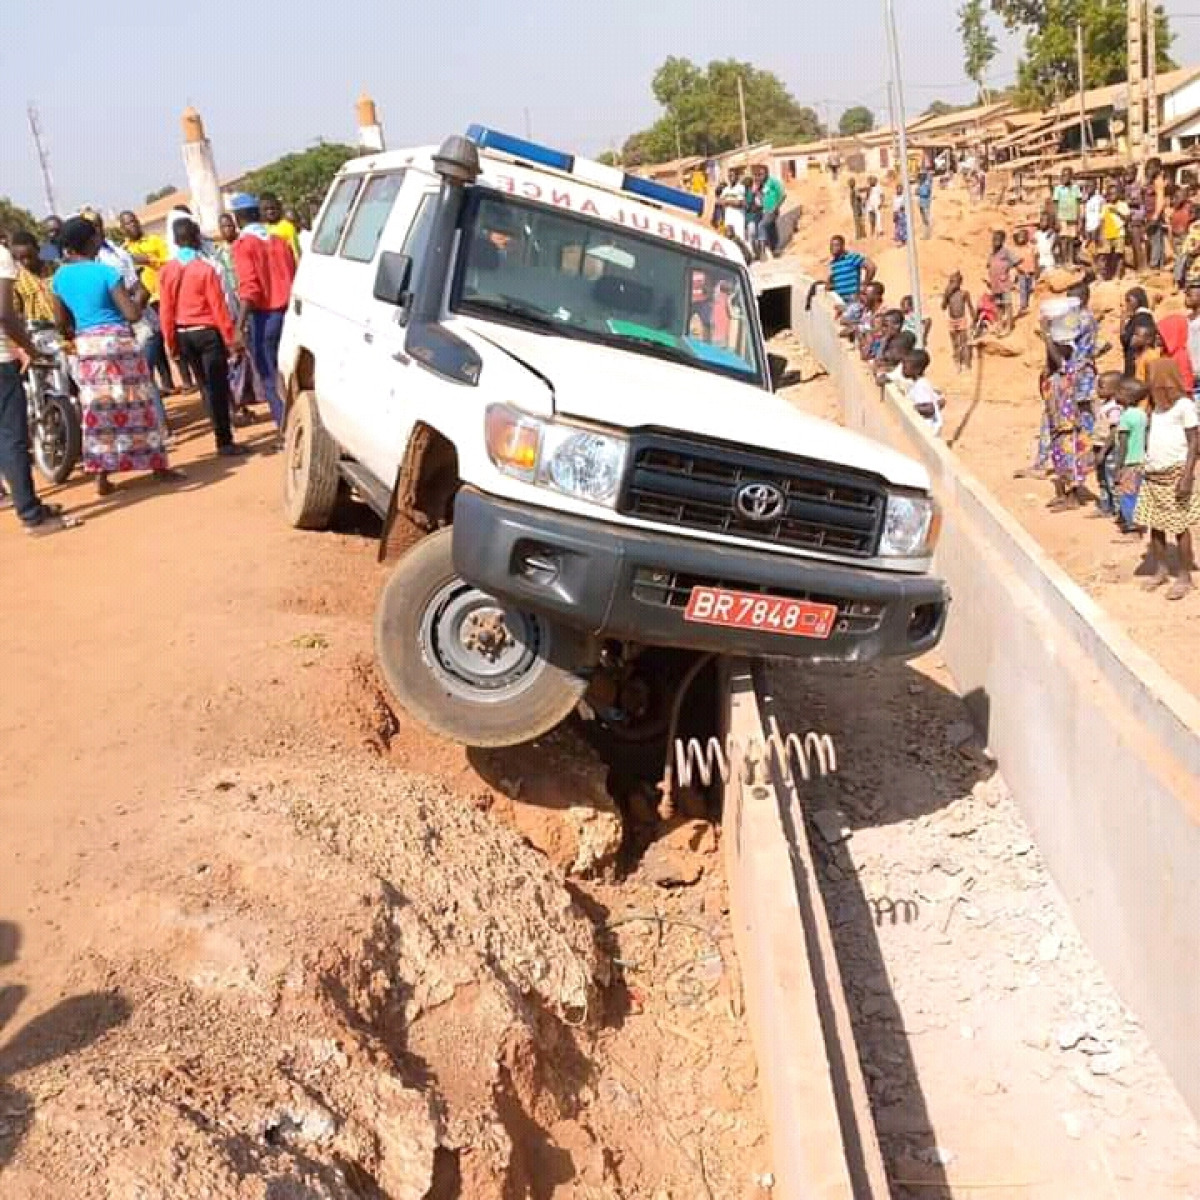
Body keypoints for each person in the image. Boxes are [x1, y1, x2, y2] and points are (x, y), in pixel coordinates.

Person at [50, 217, 179, 497]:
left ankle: (102, 475)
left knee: (99, 410)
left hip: (88, 347)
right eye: (95, 237)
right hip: (119, 343)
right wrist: (141, 296)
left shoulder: (59, 278)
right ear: (89, 241)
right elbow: (132, 314)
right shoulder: (105, 272)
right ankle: (158, 467)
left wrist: (78, 331)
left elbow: (60, 321)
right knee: (138, 404)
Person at [0, 237, 77, 534]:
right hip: (3, 362)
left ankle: (27, 501)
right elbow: (5, 314)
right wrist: (30, 349)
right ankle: (32, 516)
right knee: (13, 437)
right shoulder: (3, 257)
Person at [159, 218, 247, 458]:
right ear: (197, 238)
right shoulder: (205, 269)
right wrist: (231, 339)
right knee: (218, 385)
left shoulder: (167, 271)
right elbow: (219, 308)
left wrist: (171, 343)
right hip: (208, 333)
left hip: (183, 333)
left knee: (204, 386)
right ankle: (224, 440)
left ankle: (218, 429)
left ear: (176, 241)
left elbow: (165, 310)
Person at [229, 193, 296, 431]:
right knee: (292, 375)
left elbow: (250, 288)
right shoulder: (279, 241)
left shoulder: (243, 246)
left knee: (269, 378)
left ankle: (286, 429)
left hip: (264, 317)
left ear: (237, 218)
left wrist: (238, 327)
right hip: (289, 315)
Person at [1135, 357, 1200, 599]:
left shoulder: (1184, 406)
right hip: (1154, 474)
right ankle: (1161, 569)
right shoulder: (1155, 408)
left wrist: (1187, 476)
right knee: (1156, 525)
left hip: (1175, 475)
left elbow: (1194, 441)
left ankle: (1184, 576)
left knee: (1180, 527)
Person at [119, 210, 176, 396]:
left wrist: (149, 260)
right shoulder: (122, 251)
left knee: (171, 336)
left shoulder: (154, 241)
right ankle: (165, 383)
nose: (132, 225)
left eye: (134, 221)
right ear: (122, 228)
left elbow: (169, 261)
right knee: (154, 342)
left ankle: (185, 379)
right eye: (127, 223)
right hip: (142, 301)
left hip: (161, 295)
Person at [1039, 323, 1092, 510]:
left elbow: (1058, 359)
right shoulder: (1051, 376)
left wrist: (1047, 336)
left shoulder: (1069, 372)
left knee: (1071, 463)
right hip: (1056, 425)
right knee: (1060, 460)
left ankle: (1073, 499)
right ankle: (1064, 495)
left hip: (1068, 425)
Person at [1114, 376, 1149, 533]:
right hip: (1141, 460)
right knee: (1138, 494)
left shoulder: (1126, 417)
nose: (1116, 393)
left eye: (1119, 391)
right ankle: (1136, 521)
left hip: (1128, 462)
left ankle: (1133, 527)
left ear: (1128, 396)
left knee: (1127, 496)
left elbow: (1123, 444)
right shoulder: (1142, 414)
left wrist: (1118, 466)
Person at [9, 231, 56, 324]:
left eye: (30, 257)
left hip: (63, 329)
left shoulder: (56, 270)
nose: (26, 262)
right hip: (36, 331)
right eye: (21, 258)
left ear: (38, 250)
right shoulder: (16, 280)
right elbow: (15, 312)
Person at [901, 349, 943, 434]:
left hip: (927, 429)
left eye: (905, 367)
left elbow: (930, 409)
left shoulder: (921, 385)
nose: (902, 369)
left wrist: (911, 408)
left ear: (917, 370)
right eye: (903, 365)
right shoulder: (917, 383)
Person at [827, 235, 875, 304]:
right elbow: (831, 284)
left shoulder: (852, 257)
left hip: (852, 297)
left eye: (836, 245)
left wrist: (864, 284)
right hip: (839, 299)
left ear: (842, 246)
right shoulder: (833, 263)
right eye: (831, 246)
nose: (833, 248)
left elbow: (871, 267)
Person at [986, 230, 1017, 337]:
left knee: (1007, 304)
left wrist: (1010, 272)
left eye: (998, 240)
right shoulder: (992, 253)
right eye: (994, 239)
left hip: (1004, 283)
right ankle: (999, 325)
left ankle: (1008, 326)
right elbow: (988, 265)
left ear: (1002, 241)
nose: (995, 242)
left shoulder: (1006, 252)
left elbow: (1016, 262)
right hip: (995, 284)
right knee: (998, 305)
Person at [1121, 287, 1157, 377]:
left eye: (1129, 300)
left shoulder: (1141, 318)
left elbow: (1126, 340)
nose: (1127, 304)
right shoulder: (1142, 317)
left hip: (1136, 363)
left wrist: (1122, 321)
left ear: (1137, 300)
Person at [943, 271, 975, 371]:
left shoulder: (964, 293)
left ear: (959, 283)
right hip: (952, 320)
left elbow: (970, 307)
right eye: (951, 282)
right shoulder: (949, 295)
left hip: (961, 320)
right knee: (955, 343)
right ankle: (957, 362)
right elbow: (943, 307)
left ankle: (967, 363)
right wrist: (946, 296)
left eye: (954, 282)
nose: (952, 284)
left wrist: (974, 318)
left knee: (964, 342)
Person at [1157, 313, 1195, 394]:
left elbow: (1186, 386)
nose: (1157, 336)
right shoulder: (1164, 353)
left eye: (1161, 334)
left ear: (1171, 334)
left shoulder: (1181, 356)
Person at [1052, 168, 1083, 265]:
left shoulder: (1076, 188)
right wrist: (1057, 220)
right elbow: (1056, 205)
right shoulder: (1058, 189)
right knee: (1063, 239)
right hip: (1062, 217)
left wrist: (1079, 219)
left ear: (1071, 177)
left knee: (1071, 239)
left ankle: (1070, 260)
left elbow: (1078, 204)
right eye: (1063, 175)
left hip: (1073, 217)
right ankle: (1064, 260)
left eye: (1066, 175)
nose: (1064, 177)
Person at [753, 165, 784, 259]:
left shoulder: (773, 182)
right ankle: (776, 250)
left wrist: (776, 207)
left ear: (766, 173)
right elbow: (762, 199)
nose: (760, 176)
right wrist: (757, 191)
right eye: (758, 175)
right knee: (771, 229)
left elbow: (783, 195)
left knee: (761, 225)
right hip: (765, 210)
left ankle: (762, 253)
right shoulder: (762, 185)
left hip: (772, 210)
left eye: (761, 174)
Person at [1100, 185, 1129, 281]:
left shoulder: (1123, 205)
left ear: (1118, 194)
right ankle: (1108, 274)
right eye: (1110, 194)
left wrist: (1117, 212)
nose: (1112, 195)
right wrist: (1101, 233)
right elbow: (1102, 220)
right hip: (1108, 234)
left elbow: (1127, 218)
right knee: (1107, 255)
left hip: (1119, 233)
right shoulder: (1105, 206)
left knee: (1119, 255)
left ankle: (1117, 275)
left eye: (1114, 193)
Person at [261, 192, 301, 261]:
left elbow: (296, 253)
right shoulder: (262, 229)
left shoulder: (288, 227)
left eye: (273, 208)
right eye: (266, 209)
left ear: (279, 209)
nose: (270, 212)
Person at [1147, 159, 1169, 270]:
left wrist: (1156, 214)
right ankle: (1159, 264)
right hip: (1151, 213)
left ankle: (1155, 264)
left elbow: (1161, 199)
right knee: (1157, 239)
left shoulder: (1158, 181)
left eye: (1151, 167)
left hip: (1155, 214)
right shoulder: (1153, 180)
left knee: (1155, 240)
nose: (1148, 170)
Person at [1171, 185, 1195, 287]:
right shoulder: (1176, 207)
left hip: (1185, 235)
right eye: (1176, 197)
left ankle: (1179, 281)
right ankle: (1179, 281)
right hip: (1177, 235)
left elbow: (1192, 217)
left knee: (1183, 258)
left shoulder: (1189, 206)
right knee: (1180, 258)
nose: (1175, 199)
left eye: (1178, 197)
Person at [1013, 228, 1036, 316]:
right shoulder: (1017, 249)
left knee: (1030, 288)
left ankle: (1028, 304)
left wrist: (1034, 271)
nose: (1021, 238)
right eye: (1019, 237)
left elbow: (1034, 259)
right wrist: (1020, 270)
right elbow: (1015, 263)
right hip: (1022, 272)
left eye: (1023, 236)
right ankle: (1023, 306)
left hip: (1031, 272)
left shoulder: (1030, 247)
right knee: (1023, 289)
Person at [719, 170, 747, 243]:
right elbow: (721, 202)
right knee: (728, 236)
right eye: (729, 176)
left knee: (739, 236)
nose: (730, 177)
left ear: (737, 177)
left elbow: (739, 203)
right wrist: (731, 202)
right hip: (728, 215)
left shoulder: (741, 188)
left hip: (738, 216)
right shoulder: (726, 189)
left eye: (732, 176)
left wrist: (727, 202)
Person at [1084, 181, 1105, 255]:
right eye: (1087, 186)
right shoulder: (1087, 199)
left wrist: (1099, 227)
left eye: (1090, 186)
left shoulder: (1099, 199)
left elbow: (1102, 214)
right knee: (1090, 248)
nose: (1088, 188)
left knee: (1097, 247)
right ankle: (1094, 264)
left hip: (1096, 227)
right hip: (1088, 226)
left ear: (1095, 187)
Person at [916, 168, 933, 239]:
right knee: (923, 220)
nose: (920, 177)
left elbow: (926, 193)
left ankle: (927, 235)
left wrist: (919, 192)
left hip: (925, 204)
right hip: (921, 204)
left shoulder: (927, 183)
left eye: (921, 176)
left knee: (926, 220)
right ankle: (925, 235)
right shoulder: (921, 184)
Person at [848, 176, 866, 241]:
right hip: (856, 208)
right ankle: (861, 235)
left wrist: (859, 205)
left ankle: (859, 236)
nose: (849, 184)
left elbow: (859, 197)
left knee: (858, 222)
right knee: (859, 221)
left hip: (857, 208)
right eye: (849, 183)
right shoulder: (853, 190)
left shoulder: (855, 190)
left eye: (850, 183)